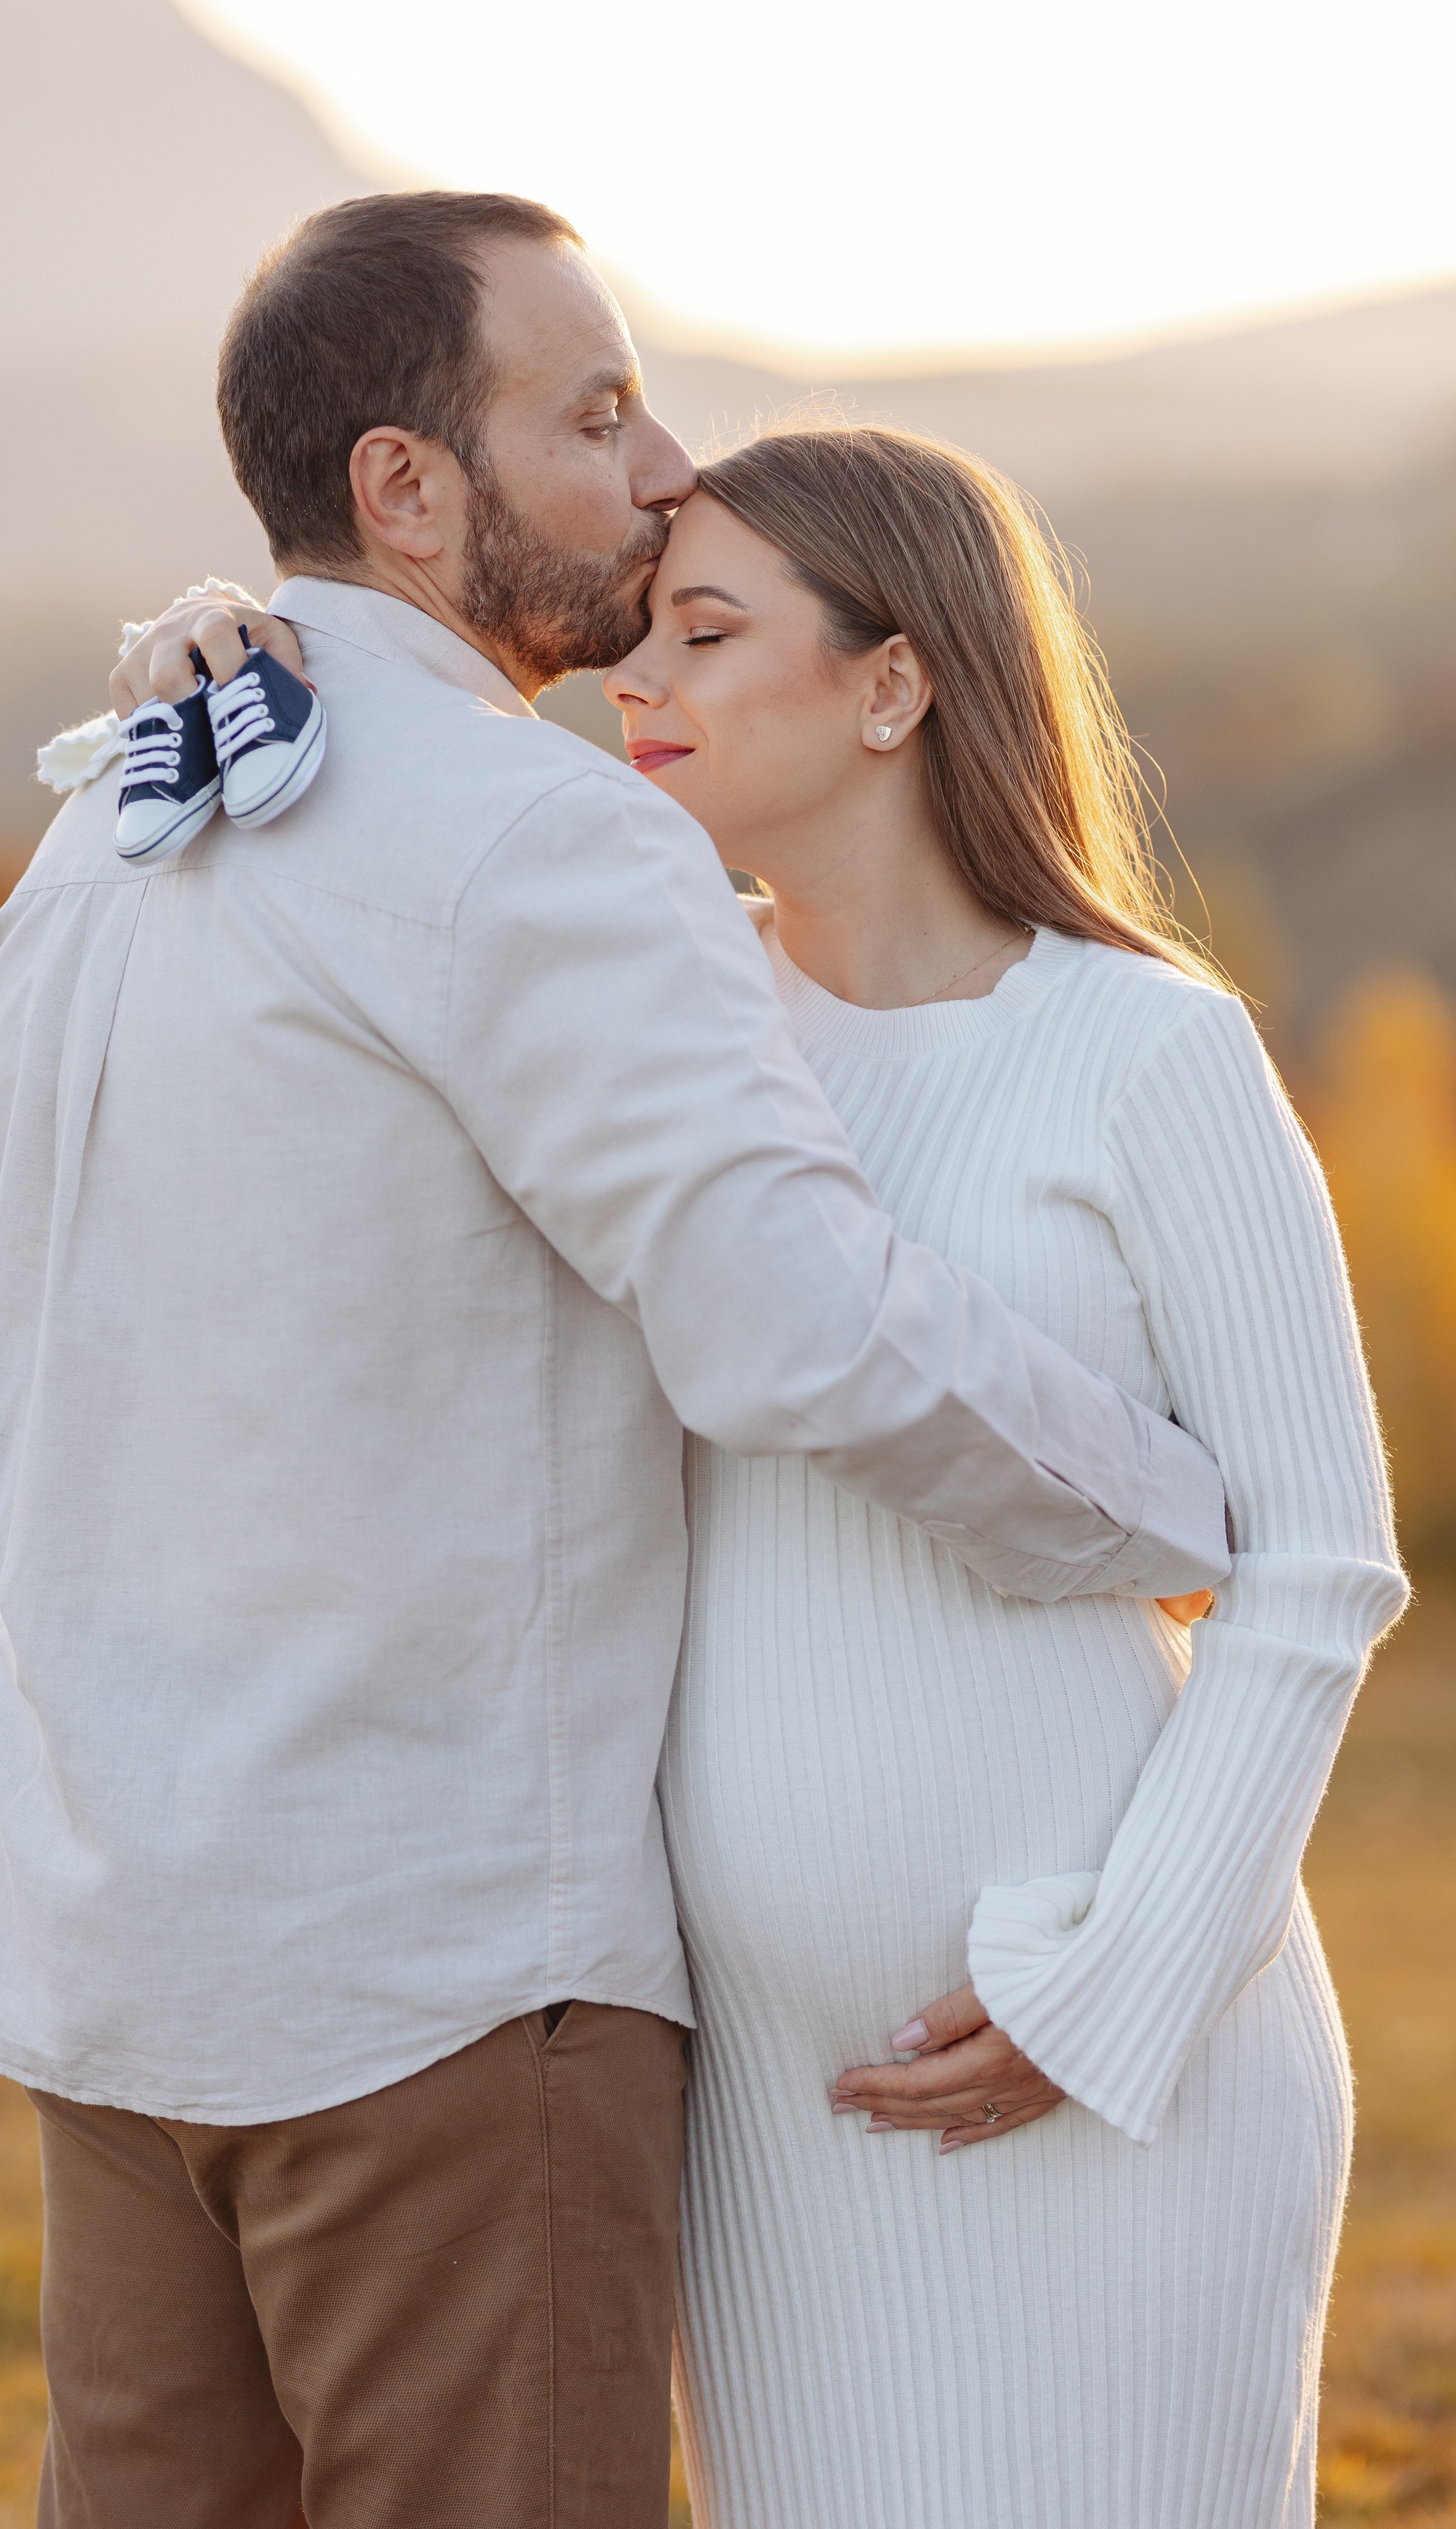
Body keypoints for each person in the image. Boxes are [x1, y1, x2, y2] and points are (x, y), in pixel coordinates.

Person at [0, 192, 1229, 2529]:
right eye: (594, 413)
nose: (667, 472)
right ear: (405, 490)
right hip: (438, 1983)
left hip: (106, 1943)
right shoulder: (543, 839)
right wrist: (1177, 1503)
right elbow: (800, 1325)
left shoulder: (101, 826)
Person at [591, 427, 1406, 2528]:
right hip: (767, 2098)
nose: (633, 681)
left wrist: (1111, 1990)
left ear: (892, 682)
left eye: (702, 629)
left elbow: (1319, 1573)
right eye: (631, 636)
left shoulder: (1150, 1051)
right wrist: (220, 678)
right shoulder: (666, 1051)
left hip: (1112, 2078)